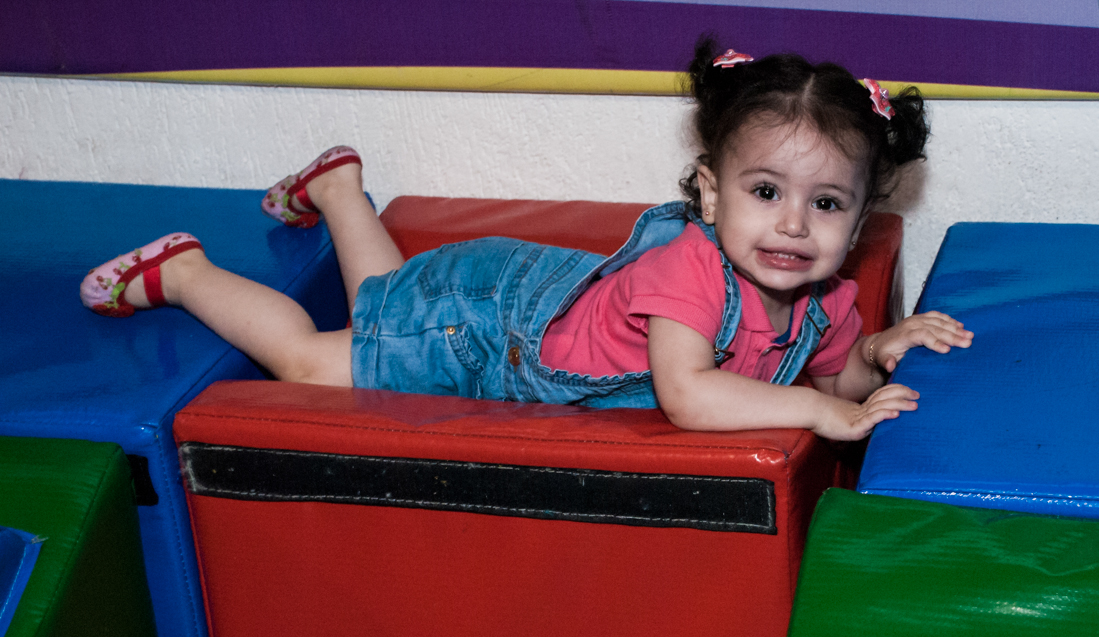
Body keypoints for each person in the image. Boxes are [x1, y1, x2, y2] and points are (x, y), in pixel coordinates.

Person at [80, 38, 971, 441]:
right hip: (487, 334)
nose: (790, 224)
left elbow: (836, 374)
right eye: (766, 191)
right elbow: (691, 397)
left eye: (825, 205)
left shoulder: (824, 298)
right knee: (316, 361)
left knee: (384, 312)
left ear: (859, 222)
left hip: (520, 297)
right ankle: (189, 270)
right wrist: (825, 414)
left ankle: (341, 189)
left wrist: (883, 355)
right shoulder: (690, 271)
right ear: (708, 192)